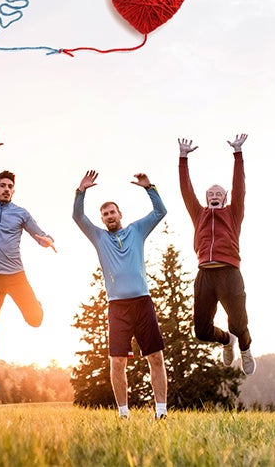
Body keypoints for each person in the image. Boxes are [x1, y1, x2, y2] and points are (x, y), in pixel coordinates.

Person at [72, 170, 169, 420]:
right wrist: (80, 192)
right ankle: (123, 414)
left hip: (143, 303)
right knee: (117, 362)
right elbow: (77, 216)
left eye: (112, 212)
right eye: (105, 214)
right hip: (117, 307)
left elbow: (160, 212)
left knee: (155, 357)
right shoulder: (99, 237)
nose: (109, 216)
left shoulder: (137, 230)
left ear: (120, 214)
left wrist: (150, 188)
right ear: (102, 219)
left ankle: (161, 412)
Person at [0, 125, 56, 405]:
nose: (6, 189)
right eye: (2, 186)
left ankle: (37, 303)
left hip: (17, 277)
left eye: (10, 187)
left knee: (35, 320)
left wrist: (45, 240)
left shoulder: (21, 213)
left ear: (13, 191)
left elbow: (39, 232)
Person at [178, 133, 256, 375]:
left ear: (224, 200)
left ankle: (244, 348)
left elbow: (239, 187)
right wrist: (183, 158)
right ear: (205, 199)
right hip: (205, 275)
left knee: (238, 323)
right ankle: (226, 341)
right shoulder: (198, 214)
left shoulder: (233, 214)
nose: (213, 196)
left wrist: (238, 154)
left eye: (218, 194)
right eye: (210, 194)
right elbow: (186, 190)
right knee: (201, 330)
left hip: (230, 273)